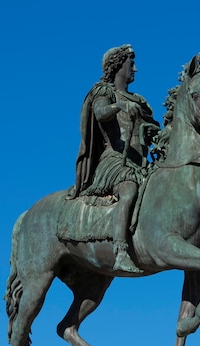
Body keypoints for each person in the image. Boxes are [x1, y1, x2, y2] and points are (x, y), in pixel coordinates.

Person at [67, 45, 160, 273]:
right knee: (128, 190)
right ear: (118, 65)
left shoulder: (140, 100)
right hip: (115, 161)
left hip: (142, 164)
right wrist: (119, 106)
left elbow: (153, 130)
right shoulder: (104, 92)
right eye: (131, 64)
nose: (136, 69)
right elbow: (100, 113)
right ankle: (120, 252)